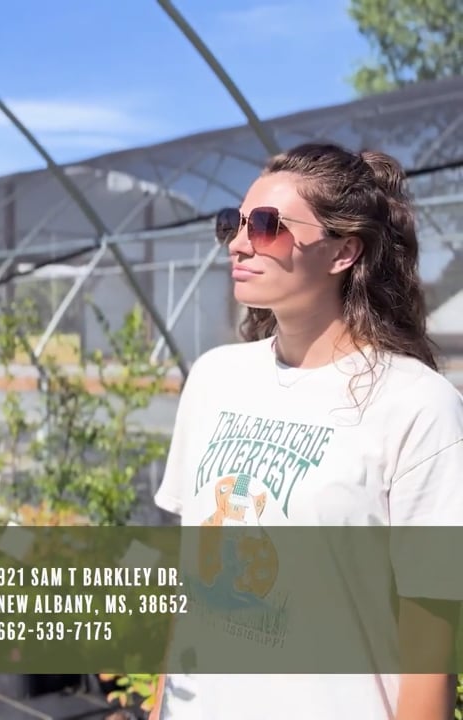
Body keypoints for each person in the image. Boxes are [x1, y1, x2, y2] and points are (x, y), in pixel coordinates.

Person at [149, 142, 463, 720]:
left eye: (267, 226)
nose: (238, 243)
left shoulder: (417, 406)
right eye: (234, 222)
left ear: (343, 251)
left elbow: (429, 660)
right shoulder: (215, 377)